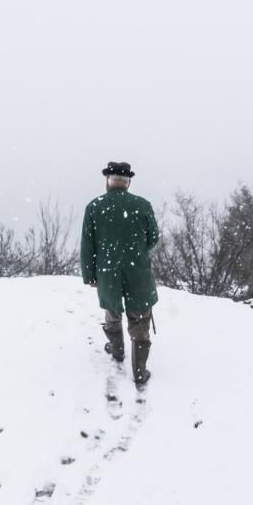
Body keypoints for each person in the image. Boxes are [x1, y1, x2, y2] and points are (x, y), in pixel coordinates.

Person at [80, 161, 160, 385]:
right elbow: (153, 238)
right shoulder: (142, 205)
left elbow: (88, 245)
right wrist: (135, 251)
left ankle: (117, 351)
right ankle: (139, 370)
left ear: (108, 181)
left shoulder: (94, 206)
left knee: (112, 312)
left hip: (107, 271)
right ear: (128, 182)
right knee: (140, 317)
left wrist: (90, 275)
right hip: (138, 271)